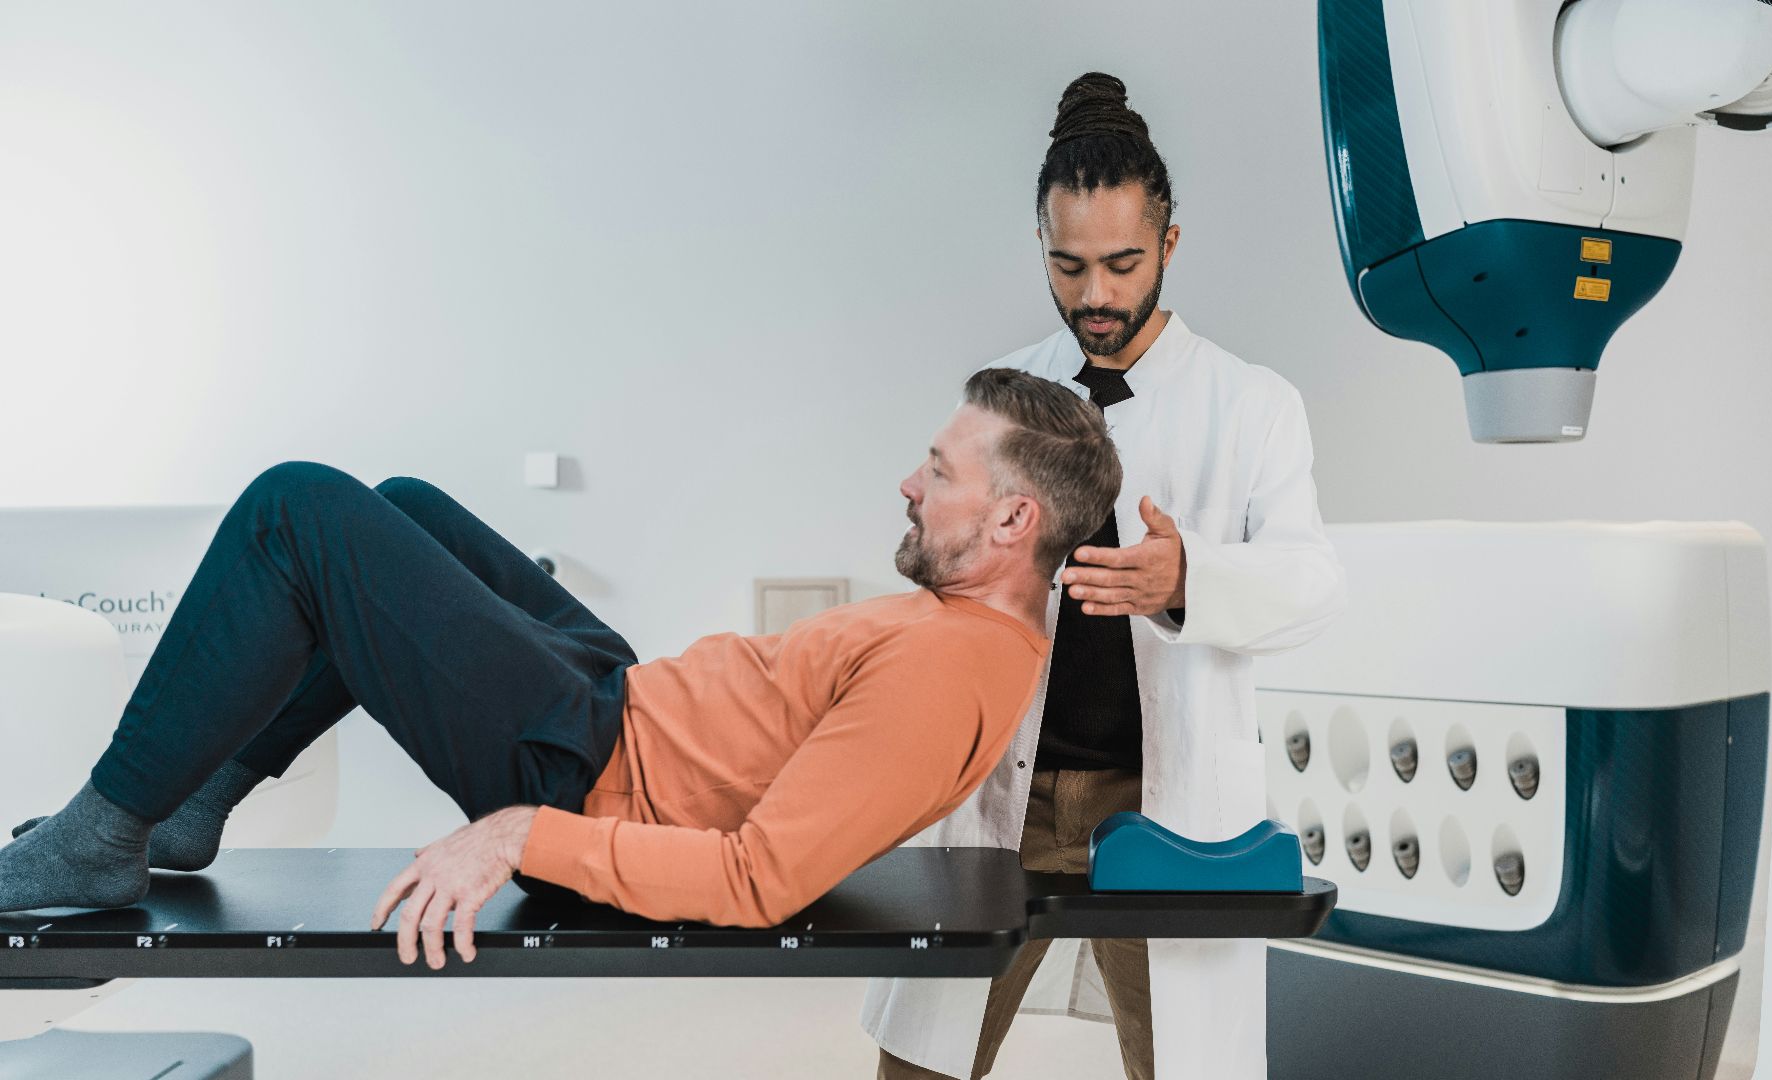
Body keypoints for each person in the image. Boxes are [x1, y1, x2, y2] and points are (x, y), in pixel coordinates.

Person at [0, 368, 1121, 972]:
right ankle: (194, 802)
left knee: (294, 508)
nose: (910, 484)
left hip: (581, 775)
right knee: (402, 508)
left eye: (939, 471)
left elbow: (758, 881)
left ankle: (104, 833)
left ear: (1013, 519)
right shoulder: (968, 629)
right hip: (618, 707)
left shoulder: (948, 670)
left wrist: (519, 835)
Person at [864, 74, 1347, 1080]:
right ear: (1040, 245)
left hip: (1163, 806)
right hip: (1009, 795)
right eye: (1069, 264)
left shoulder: (1252, 404)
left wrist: (1186, 578)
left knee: (1181, 1061)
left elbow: (1311, 582)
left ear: (1169, 244)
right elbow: (946, 583)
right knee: (921, 1061)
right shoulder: (1003, 396)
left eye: (1124, 264)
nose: (1095, 296)